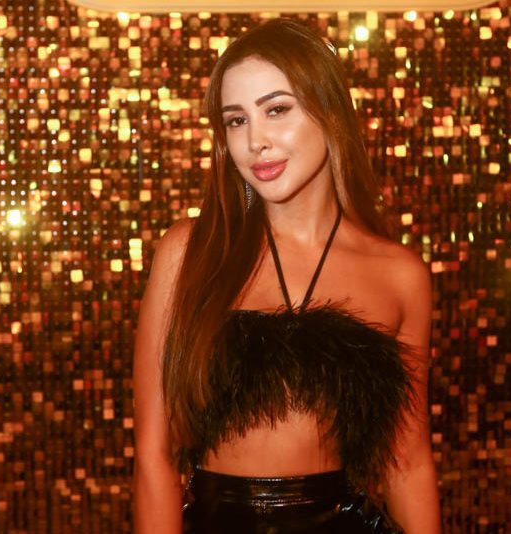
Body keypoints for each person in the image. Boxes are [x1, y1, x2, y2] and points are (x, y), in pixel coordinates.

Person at [133, 18, 440, 533]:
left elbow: (407, 463)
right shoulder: (190, 252)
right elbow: (153, 455)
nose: (255, 140)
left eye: (277, 109)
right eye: (236, 120)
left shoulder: (400, 275)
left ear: (330, 112)